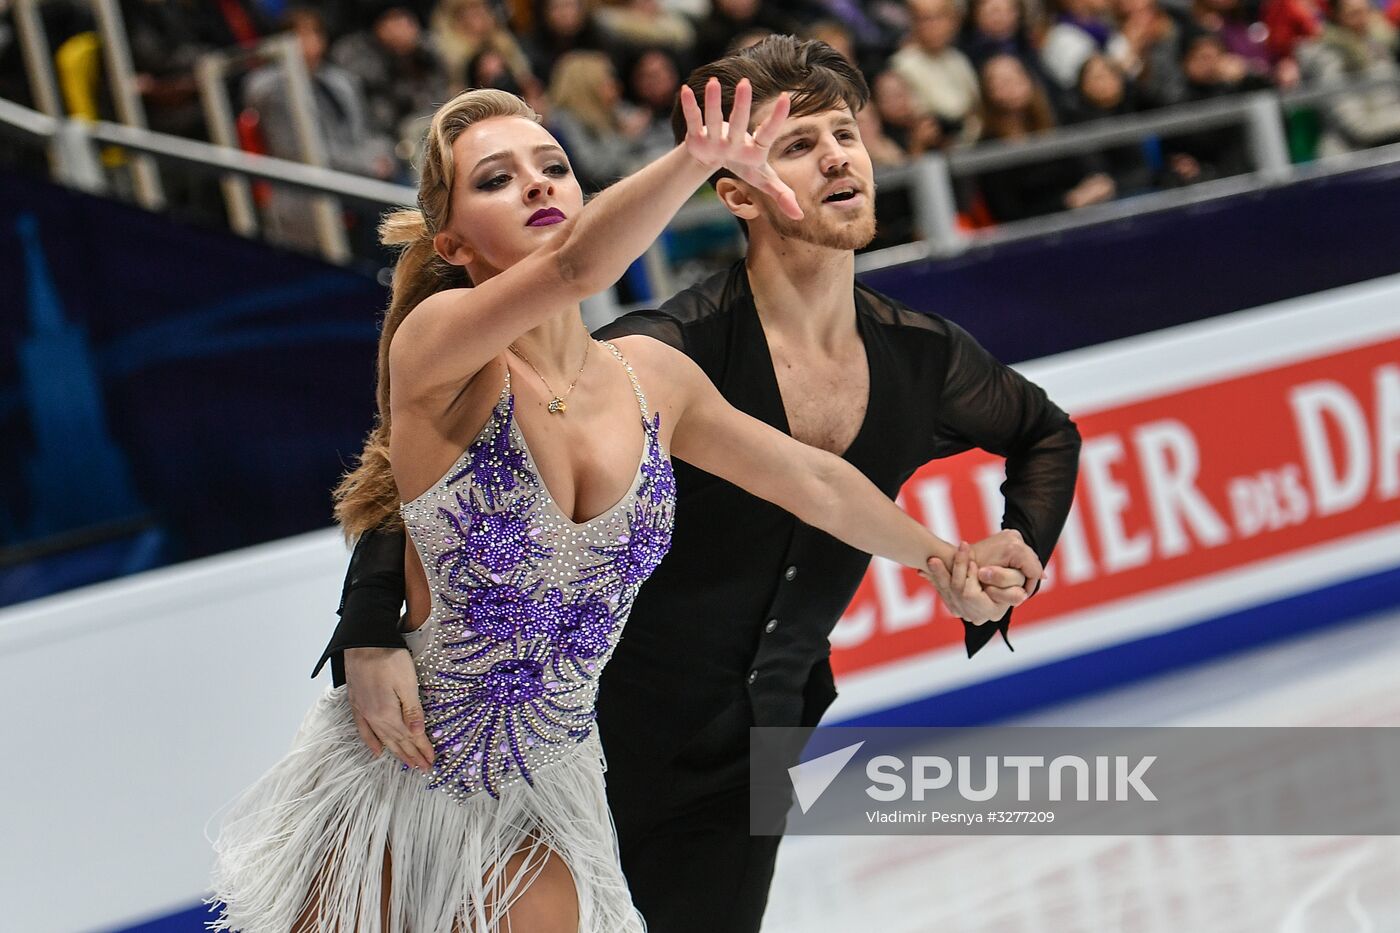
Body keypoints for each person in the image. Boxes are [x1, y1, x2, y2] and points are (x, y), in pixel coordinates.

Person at [210, 75, 1027, 932]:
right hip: (400, 767)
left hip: (550, 781)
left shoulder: (655, 378)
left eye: (553, 167)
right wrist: (694, 160)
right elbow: (577, 266)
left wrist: (942, 556)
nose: (536, 184)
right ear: (452, 244)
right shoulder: (438, 346)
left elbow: (814, 481)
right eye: (496, 179)